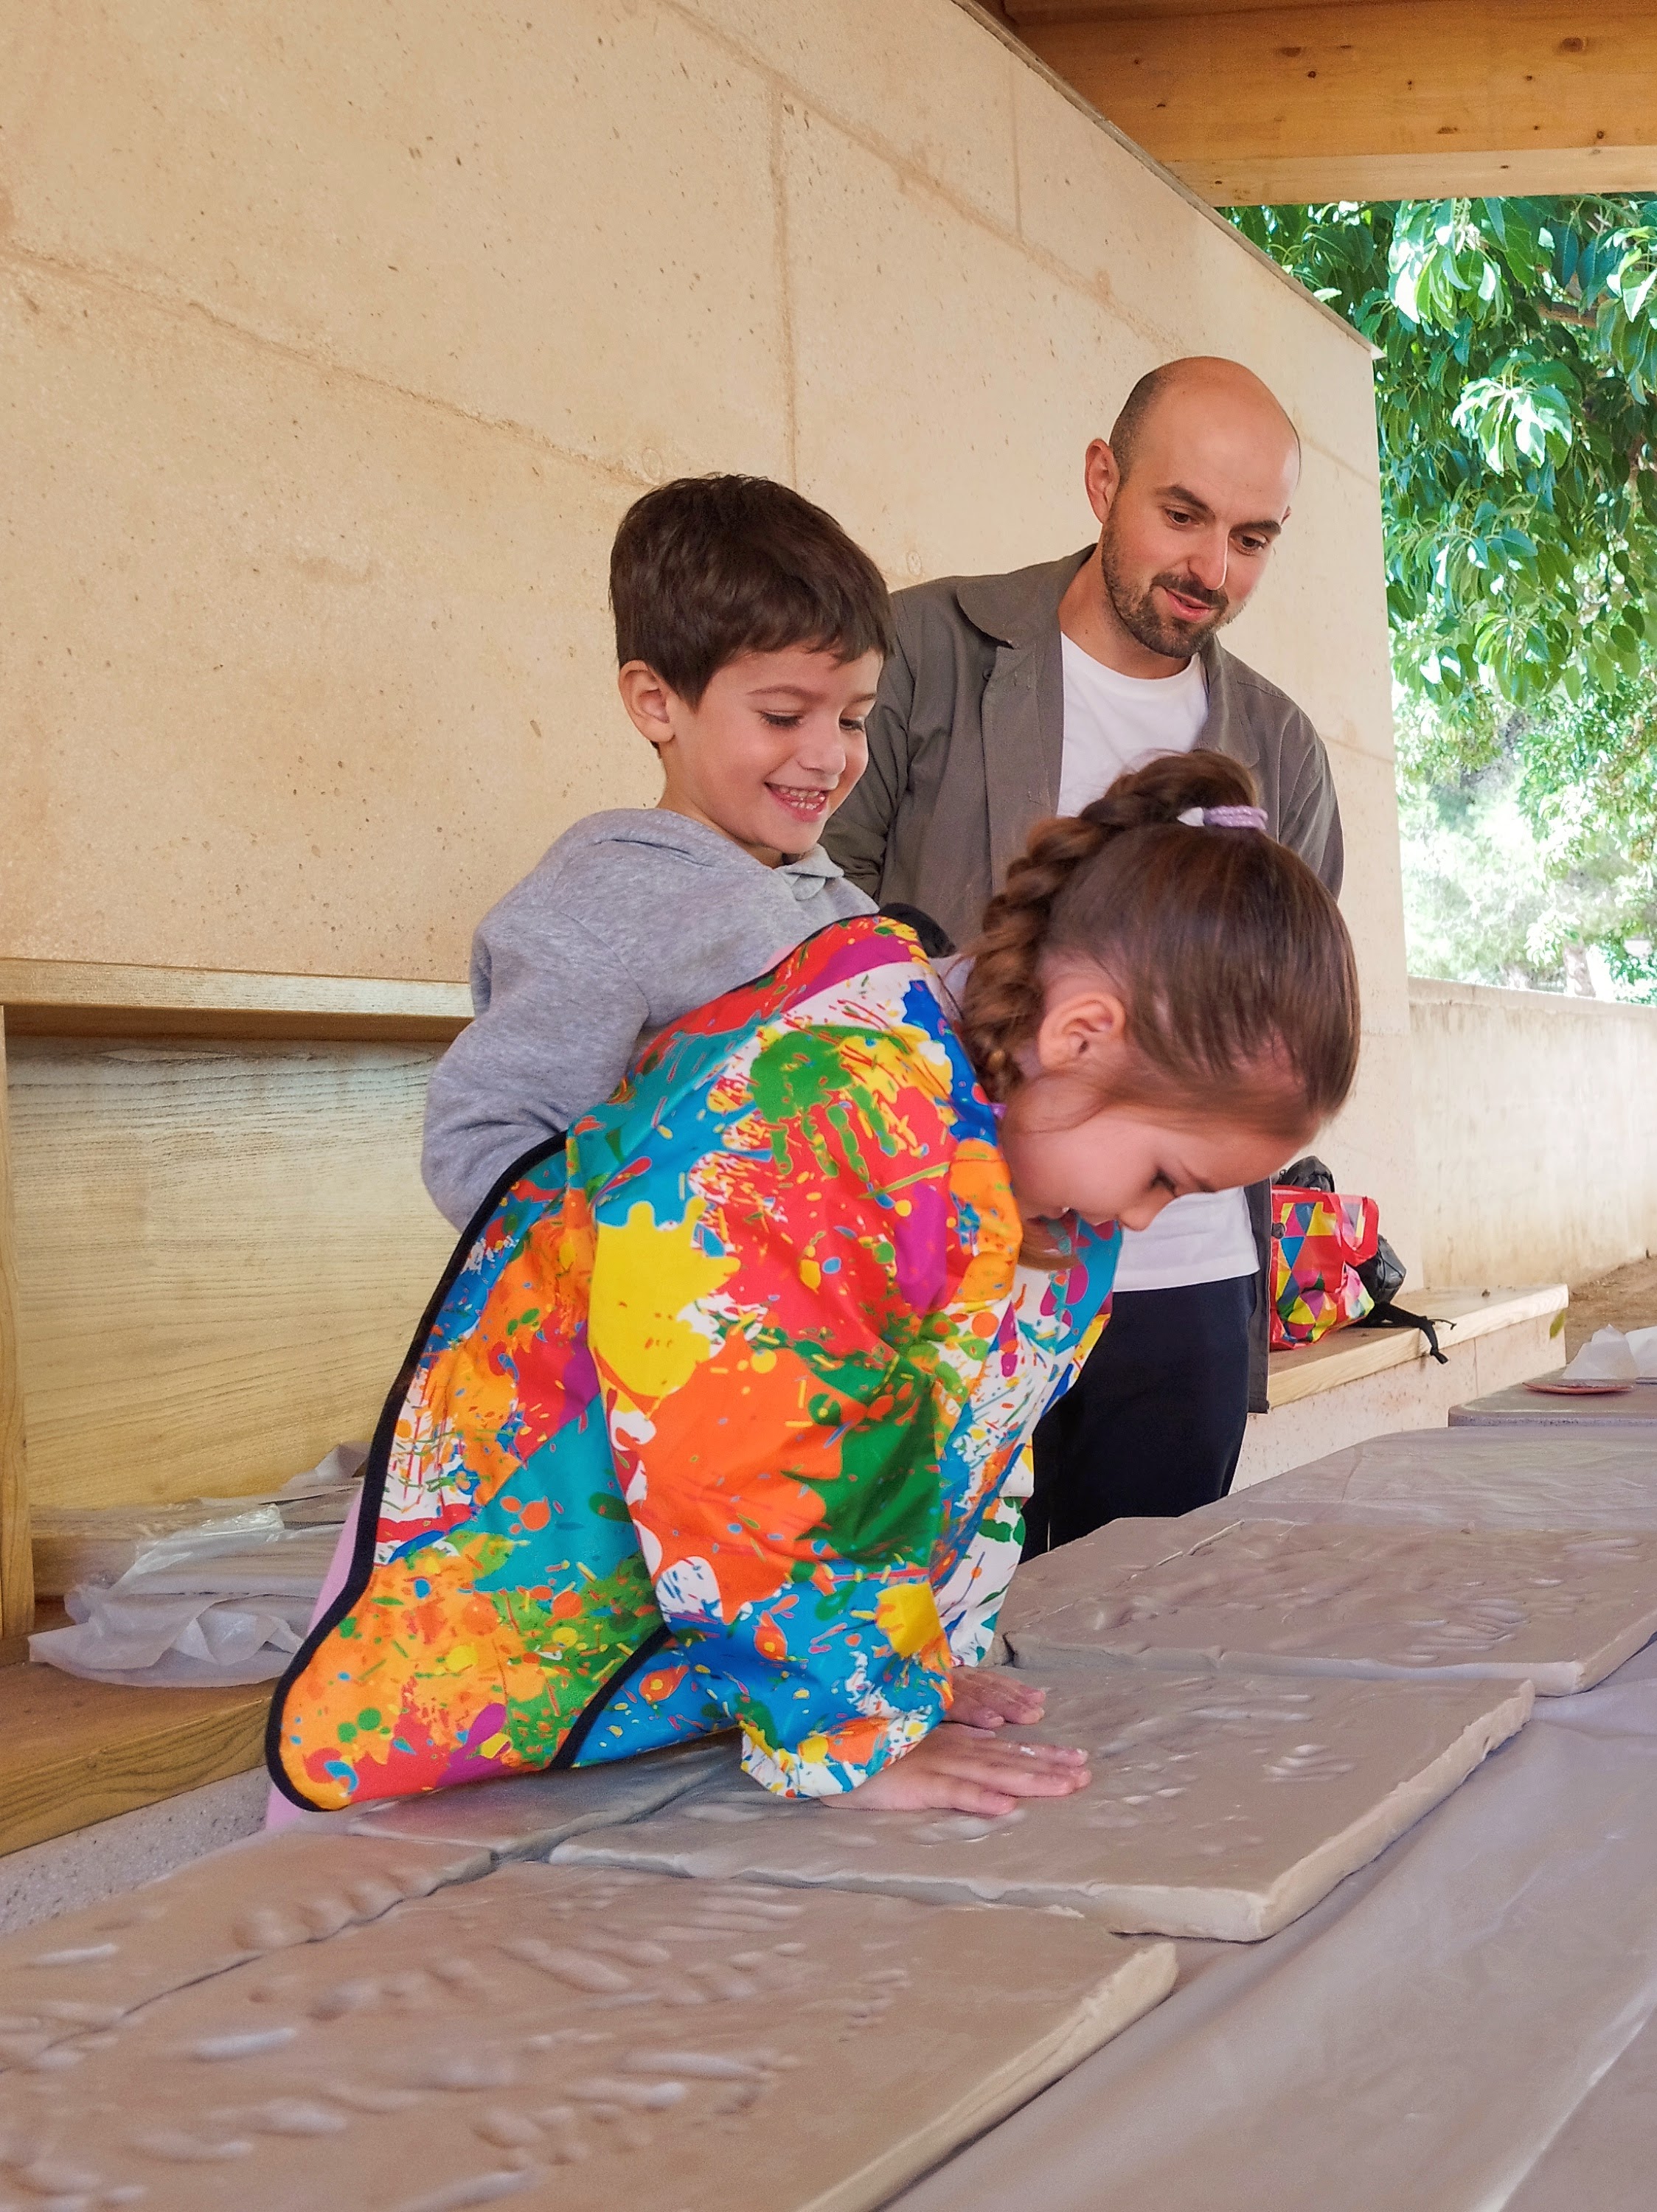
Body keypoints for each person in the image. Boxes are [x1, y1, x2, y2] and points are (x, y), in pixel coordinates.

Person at [271, 751, 1358, 1818]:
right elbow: (759, 1452)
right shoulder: (825, 1113)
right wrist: (854, 1730)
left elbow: (954, 1446)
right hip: (489, 1654)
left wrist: (911, 1669)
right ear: (1082, 1036)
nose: (1141, 1218)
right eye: (1165, 1177)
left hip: (660, 1673)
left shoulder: (1011, 1152)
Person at [824, 358, 1342, 1556]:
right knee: (932, 1630)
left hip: (1183, 1289)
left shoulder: (1284, 750)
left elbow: (1287, 1005)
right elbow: (805, 919)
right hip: (939, 1265)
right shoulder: (924, 651)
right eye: (1183, 516)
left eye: (1253, 538)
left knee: (1143, 1644)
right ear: (1103, 480)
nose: (1213, 569)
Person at [421, 476, 890, 1224]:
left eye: (854, 720)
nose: (829, 757)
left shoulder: (849, 912)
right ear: (656, 701)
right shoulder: (599, 910)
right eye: (782, 715)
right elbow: (479, 1140)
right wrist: (628, 1261)